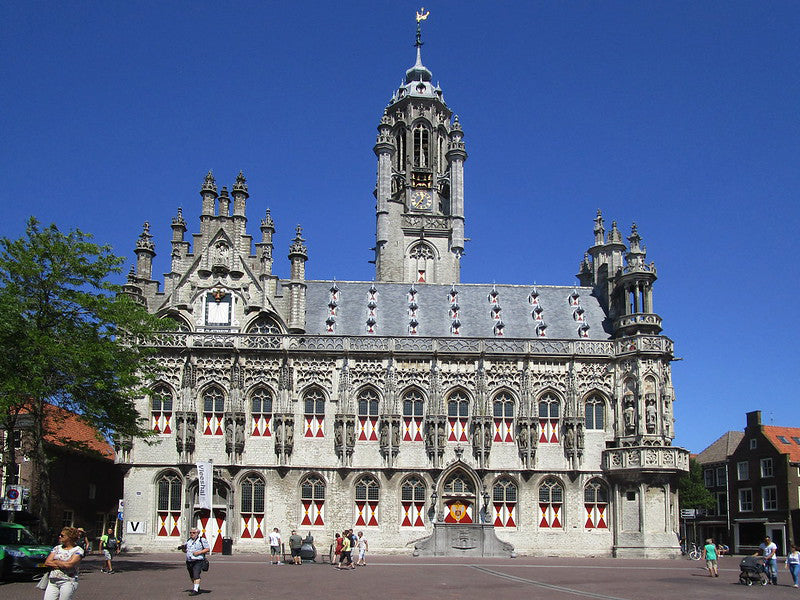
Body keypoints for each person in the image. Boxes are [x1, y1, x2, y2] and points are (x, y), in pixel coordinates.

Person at [43, 526, 84, 600]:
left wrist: (56, 561)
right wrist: (63, 564)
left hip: (67, 581)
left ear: (70, 537)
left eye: (62, 535)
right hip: (53, 581)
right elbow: (47, 562)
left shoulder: (78, 550)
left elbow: (69, 565)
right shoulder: (57, 548)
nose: (59, 536)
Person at [183, 527, 210, 596]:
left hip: (198, 560)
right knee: (192, 576)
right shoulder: (188, 540)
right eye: (190, 533)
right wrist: (183, 549)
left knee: (196, 574)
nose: (192, 534)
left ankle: (195, 590)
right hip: (189, 560)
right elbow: (186, 550)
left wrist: (199, 552)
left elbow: (207, 549)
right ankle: (197, 587)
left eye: (193, 533)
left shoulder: (202, 540)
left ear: (197, 533)